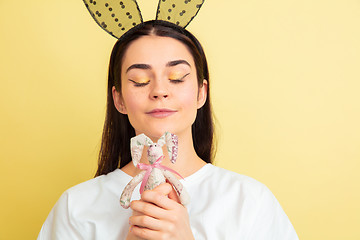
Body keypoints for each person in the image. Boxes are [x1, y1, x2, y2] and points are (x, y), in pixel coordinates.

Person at [37, 20, 298, 239]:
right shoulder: (77, 206)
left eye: (177, 78)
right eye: (140, 81)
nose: (160, 91)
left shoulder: (250, 201)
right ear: (118, 99)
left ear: (201, 92)